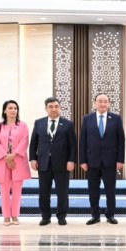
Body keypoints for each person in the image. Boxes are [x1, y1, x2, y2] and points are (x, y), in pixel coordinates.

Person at [29, 97, 77, 226]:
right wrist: (33, 158)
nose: (53, 109)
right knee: (44, 192)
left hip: (62, 163)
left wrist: (71, 160)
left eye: (56, 106)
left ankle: (61, 216)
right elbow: (33, 143)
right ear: (46, 109)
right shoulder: (39, 123)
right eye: (50, 107)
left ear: (60, 108)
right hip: (43, 163)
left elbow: (73, 145)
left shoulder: (68, 124)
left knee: (62, 192)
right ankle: (45, 216)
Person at [79, 93, 125, 225]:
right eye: (100, 101)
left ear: (109, 104)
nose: (103, 104)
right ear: (95, 103)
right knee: (93, 190)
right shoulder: (87, 118)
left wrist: (120, 159)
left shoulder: (116, 118)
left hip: (110, 161)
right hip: (92, 160)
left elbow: (121, 140)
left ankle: (110, 215)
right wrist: (83, 160)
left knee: (110, 190)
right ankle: (95, 215)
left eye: (105, 101)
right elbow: (83, 140)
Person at [0, 100, 31, 226]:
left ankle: (15, 215)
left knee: (17, 190)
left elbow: (24, 141)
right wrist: (6, 158)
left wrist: (13, 156)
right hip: (3, 161)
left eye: (15, 108)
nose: (13, 110)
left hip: (18, 160)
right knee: (4, 190)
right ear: (5, 111)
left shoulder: (22, 125)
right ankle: (6, 216)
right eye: (10, 108)